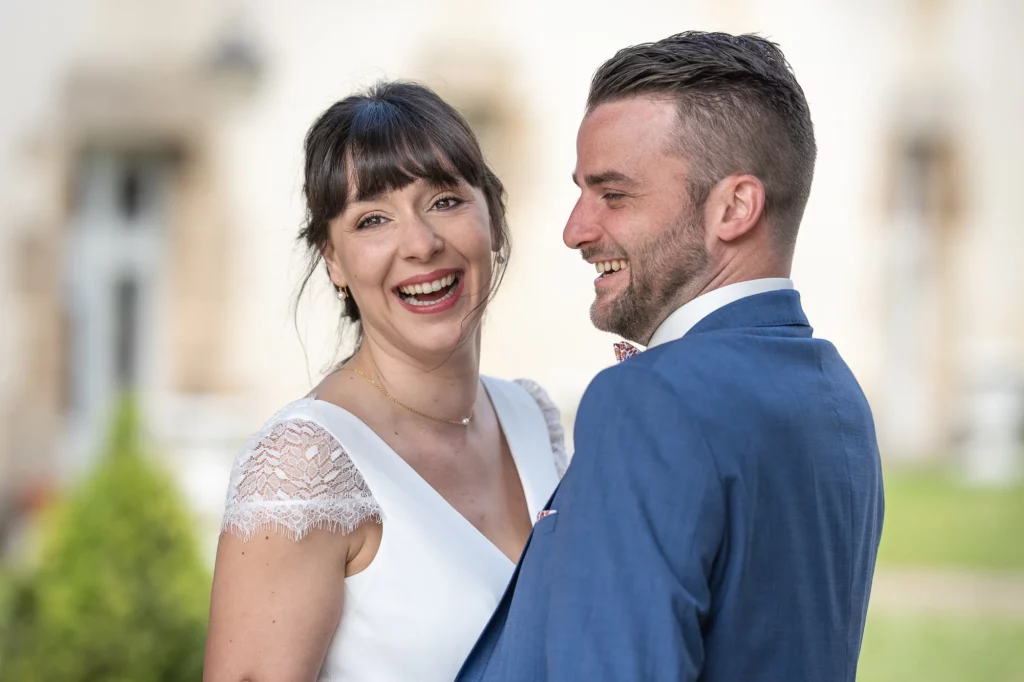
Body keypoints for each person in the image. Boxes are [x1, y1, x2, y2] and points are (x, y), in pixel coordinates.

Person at [458, 31, 884, 682]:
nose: (575, 229)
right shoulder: (836, 395)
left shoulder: (650, 399)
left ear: (734, 207)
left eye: (614, 194)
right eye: (580, 191)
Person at [203, 81, 566, 682]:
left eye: (446, 200)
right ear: (334, 261)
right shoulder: (304, 467)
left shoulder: (533, 417)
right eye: (373, 219)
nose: (421, 244)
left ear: (494, 219)